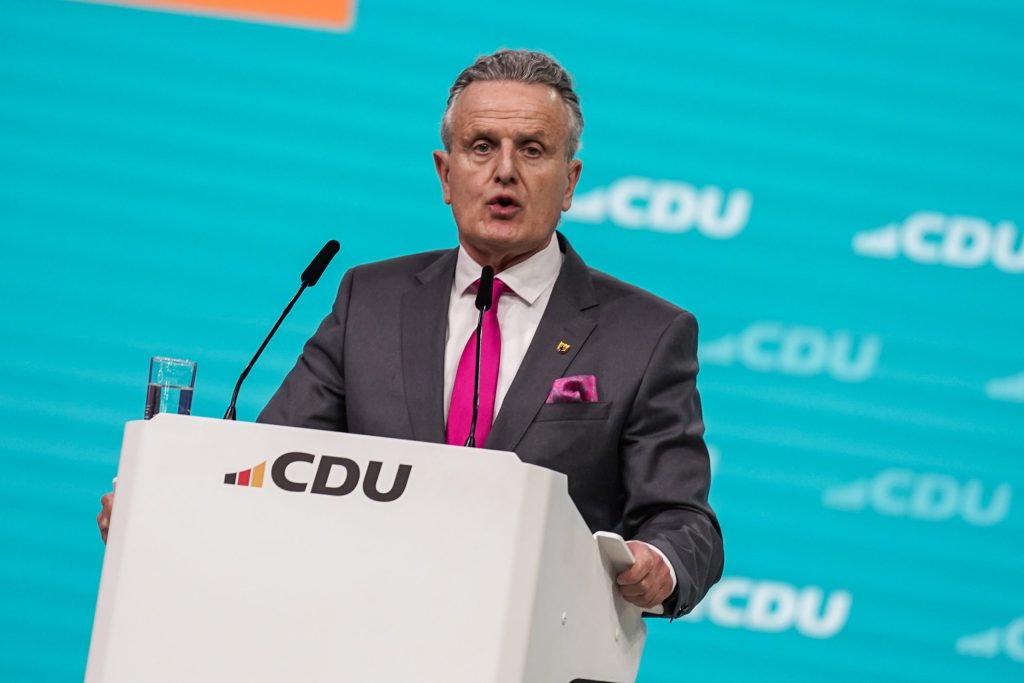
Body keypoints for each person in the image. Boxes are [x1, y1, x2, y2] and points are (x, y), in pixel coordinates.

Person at [99, 48, 723, 618]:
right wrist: (168, 508)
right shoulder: (370, 301)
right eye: (482, 146)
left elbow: (683, 520)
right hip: (359, 633)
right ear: (445, 175)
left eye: (533, 150)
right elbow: (271, 466)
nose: (505, 171)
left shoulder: (647, 334)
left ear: (570, 181)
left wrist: (659, 563)